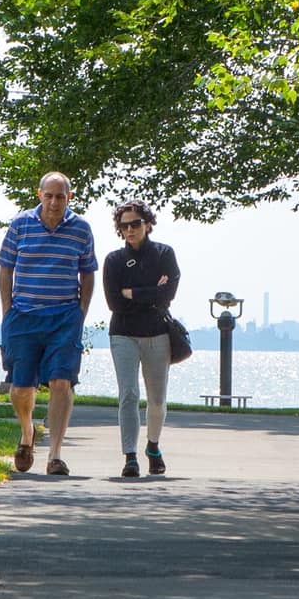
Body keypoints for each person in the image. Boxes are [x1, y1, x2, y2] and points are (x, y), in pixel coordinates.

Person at [0, 172, 96, 476]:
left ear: (69, 198)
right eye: (49, 196)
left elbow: (88, 273)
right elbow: (5, 269)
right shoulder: (20, 225)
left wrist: (80, 312)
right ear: (39, 195)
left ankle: (55, 454)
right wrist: (7, 311)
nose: (54, 202)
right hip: (23, 315)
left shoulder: (80, 229)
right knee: (21, 387)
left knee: (61, 383)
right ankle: (27, 434)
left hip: (64, 317)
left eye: (60, 196)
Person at [102, 199, 180, 478]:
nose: (130, 230)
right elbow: (114, 302)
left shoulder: (164, 254)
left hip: (158, 333)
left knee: (157, 400)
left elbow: (167, 294)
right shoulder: (114, 260)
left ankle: (153, 447)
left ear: (147, 224)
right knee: (129, 394)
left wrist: (132, 292)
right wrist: (149, 292)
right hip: (123, 334)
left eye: (135, 224)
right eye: (124, 226)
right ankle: (130, 456)